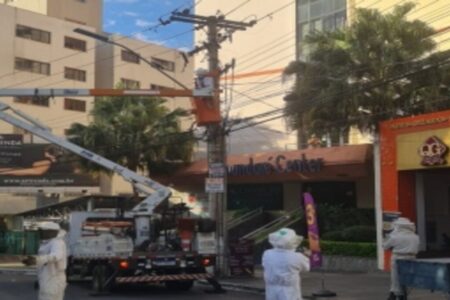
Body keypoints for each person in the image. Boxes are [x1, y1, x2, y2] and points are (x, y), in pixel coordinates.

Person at [23, 221, 68, 300]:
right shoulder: (49, 242)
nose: (41, 233)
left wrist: (37, 260)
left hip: (53, 280)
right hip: (48, 279)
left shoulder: (56, 242)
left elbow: (56, 256)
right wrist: (39, 280)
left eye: (43, 231)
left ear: (51, 231)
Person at [262, 228, 310, 300]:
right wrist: (306, 256)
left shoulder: (267, 253)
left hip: (271, 289)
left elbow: (265, 265)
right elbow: (306, 268)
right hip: (289, 290)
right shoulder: (297, 256)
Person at [383, 217, 420, 300]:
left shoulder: (394, 237)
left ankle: (398, 295)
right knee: (406, 278)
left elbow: (385, 246)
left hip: (398, 258)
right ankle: (397, 295)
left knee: (395, 278)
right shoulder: (415, 236)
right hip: (412, 258)